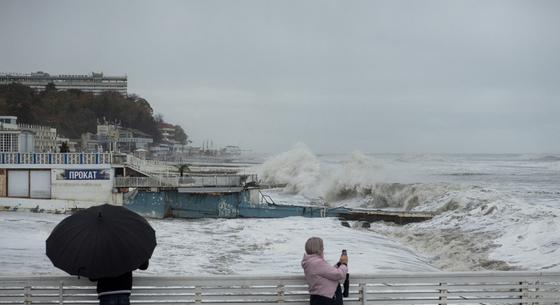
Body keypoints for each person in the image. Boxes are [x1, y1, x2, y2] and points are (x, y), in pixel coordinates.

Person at [301, 237, 348, 305]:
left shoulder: (309, 262)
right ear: (318, 249)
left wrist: (339, 264)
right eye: (322, 247)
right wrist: (344, 264)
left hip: (317, 298)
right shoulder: (317, 263)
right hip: (327, 299)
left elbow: (327, 272)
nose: (323, 249)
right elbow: (339, 274)